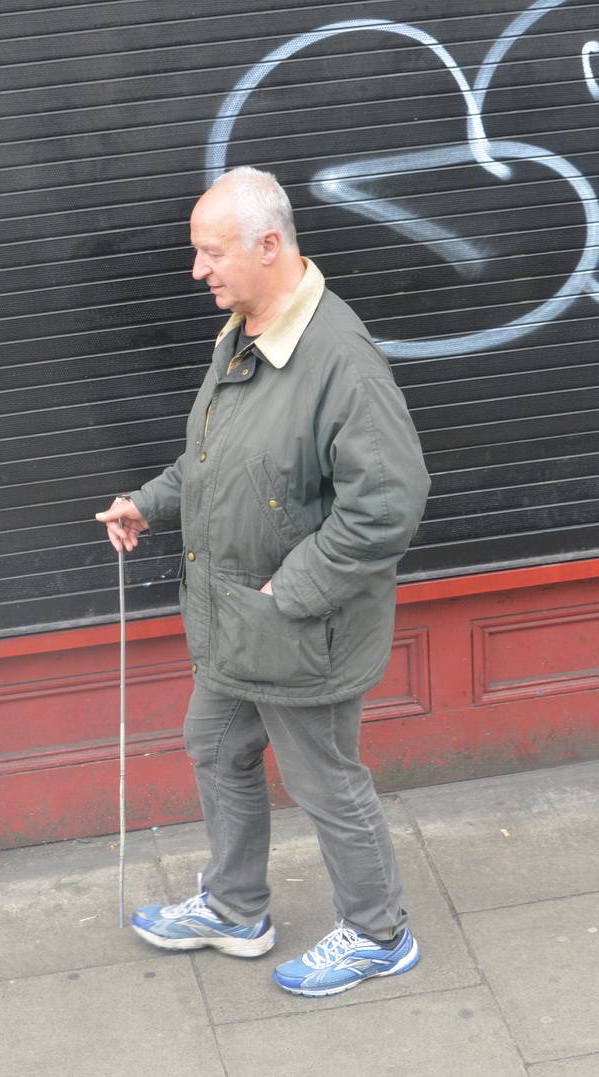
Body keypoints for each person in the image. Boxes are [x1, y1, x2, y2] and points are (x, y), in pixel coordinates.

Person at [96, 166, 430, 997]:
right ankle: (235, 908)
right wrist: (149, 503)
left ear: (269, 245)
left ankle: (379, 934)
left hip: (299, 627)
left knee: (324, 780)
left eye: (212, 253)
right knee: (216, 744)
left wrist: (295, 591)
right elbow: (218, 459)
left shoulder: (339, 360)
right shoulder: (247, 331)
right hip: (240, 619)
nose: (197, 270)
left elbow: (389, 504)